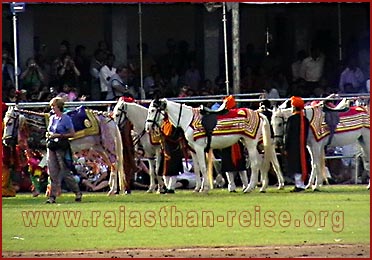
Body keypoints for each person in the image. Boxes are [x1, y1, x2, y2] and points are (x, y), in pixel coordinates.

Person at [45, 97, 82, 203]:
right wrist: (49, 135)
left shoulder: (66, 119)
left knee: (65, 171)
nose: (52, 108)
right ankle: (52, 196)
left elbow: (72, 133)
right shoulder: (52, 118)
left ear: (59, 107)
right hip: (52, 146)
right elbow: (49, 130)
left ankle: (77, 192)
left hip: (61, 147)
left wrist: (60, 135)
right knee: (52, 172)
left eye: (54, 106)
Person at [284, 96, 310, 192]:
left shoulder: (291, 119)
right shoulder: (305, 120)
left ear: (294, 107)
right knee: (301, 165)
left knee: (295, 166)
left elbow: (288, 135)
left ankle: (299, 185)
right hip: (302, 146)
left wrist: (285, 147)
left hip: (293, 147)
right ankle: (301, 184)